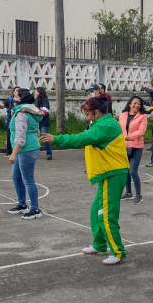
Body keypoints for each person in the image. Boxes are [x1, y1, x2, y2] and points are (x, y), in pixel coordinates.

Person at [40, 97, 130, 265]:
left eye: (88, 114)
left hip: (113, 173)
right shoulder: (100, 123)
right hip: (106, 172)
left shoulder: (106, 126)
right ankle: (99, 244)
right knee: (96, 210)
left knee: (107, 214)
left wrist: (56, 139)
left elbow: (81, 139)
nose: (87, 118)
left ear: (97, 113)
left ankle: (118, 252)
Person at [7, 89, 44, 219]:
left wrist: (13, 154)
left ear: (21, 99)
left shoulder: (22, 114)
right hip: (25, 148)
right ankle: (22, 205)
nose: (13, 98)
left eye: (15, 96)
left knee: (28, 179)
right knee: (16, 177)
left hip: (26, 149)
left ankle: (35, 209)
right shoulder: (29, 110)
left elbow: (21, 136)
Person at [119, 96, 147, 204]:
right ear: (130, 104)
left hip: (136, 146)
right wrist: (122, 137)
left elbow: (142, 131)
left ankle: (139, 195)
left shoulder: (143, 116)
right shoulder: (123, 115)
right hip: (124, 146)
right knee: (126, 170)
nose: (137, 105)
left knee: (133, 171)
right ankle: (128, 193)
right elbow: (119, 128)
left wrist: (131, 136)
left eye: (139, 104)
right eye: (135, 103)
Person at [0, 86, 20, 157]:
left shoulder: (22, 100)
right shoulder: (10, 99)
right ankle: (9, 152)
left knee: (18, 136)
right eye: (16, 90)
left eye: (19, 91)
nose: (18, 92)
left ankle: (17, 151)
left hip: (19, 120)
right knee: (9, 136)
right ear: (13, 92)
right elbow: (4, 105)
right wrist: (0, 106)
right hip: (10, 120)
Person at [34, 87, 53, 160]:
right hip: (36, 121)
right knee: (35, 138)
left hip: (44, 122)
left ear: (39, 92)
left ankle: (49, 153)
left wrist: (36, 110)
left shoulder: (45, 100)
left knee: (45, 137)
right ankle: (36, 152)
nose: (35, 93)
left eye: (36, 92)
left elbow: (45, 111)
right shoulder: (35, 100)